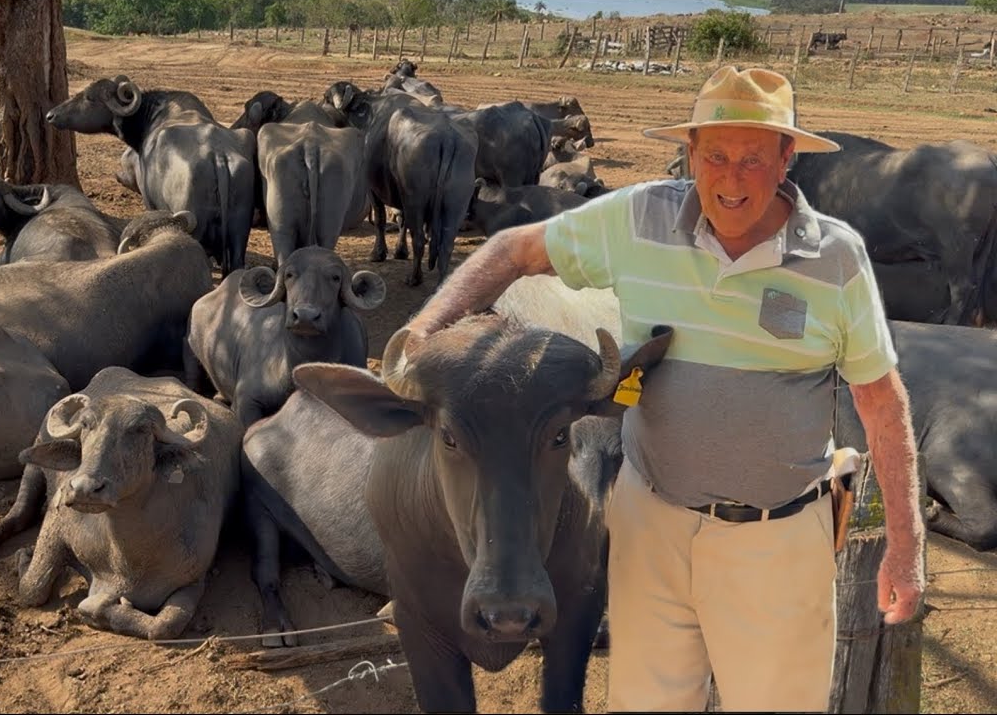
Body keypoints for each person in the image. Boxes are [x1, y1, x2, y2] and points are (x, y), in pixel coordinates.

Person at [395, 65, 926, 712]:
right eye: (716, 156)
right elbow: (509, 250)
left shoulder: (836, 257)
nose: (730, 179)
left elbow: (881, 401)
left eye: (753, 159)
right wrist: (425, 329)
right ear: (691, 153)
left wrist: (906, 547)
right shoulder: (637, 219)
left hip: (776, 541)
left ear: (788, 157)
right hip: (651, 525)